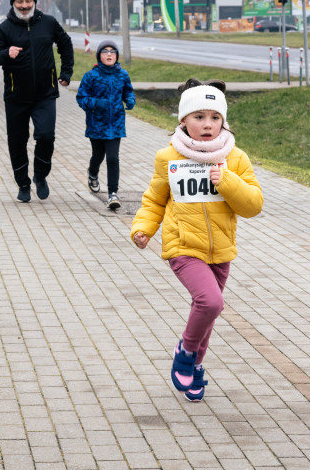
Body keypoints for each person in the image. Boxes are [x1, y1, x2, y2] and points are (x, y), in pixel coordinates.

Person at [130, 79, 263, 401]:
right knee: (211, 303)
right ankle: (186, 353)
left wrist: (227, 181)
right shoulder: (168, 157)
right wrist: (143, 228)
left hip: (221, 249)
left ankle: (195, 364)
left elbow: (253, 206)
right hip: (183, 246)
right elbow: (155, 199)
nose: (207, 125)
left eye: (215, 118)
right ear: (184, 120)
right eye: (199, 117)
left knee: (206, 311)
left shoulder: (235, 158)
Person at [0, 0, 73, 203]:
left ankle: (40, 176)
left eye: (28, 1)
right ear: (14, 3)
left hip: (45, 94)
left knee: (46, 136)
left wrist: (66, 72)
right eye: (20, 1)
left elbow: (66, 44)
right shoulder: (4, 29)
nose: (24, 5)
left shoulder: (48, 23)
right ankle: (23, 183)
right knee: (17, 142)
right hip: (16, 97)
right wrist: (6, 53)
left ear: (34, 1)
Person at [75, 40, 135, 209]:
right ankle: (93, 173)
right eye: (105, 51)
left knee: (113, 158)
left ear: (116, 56)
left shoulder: (122, 75)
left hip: (116, 124)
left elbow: (128, 91)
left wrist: (130, 100)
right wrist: (97, 103)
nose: (109, 54)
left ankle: (112, 194)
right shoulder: (91, 76)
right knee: (98, 155)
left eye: (112, 51)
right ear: (99, 56)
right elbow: (81, 98)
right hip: (97, 124)